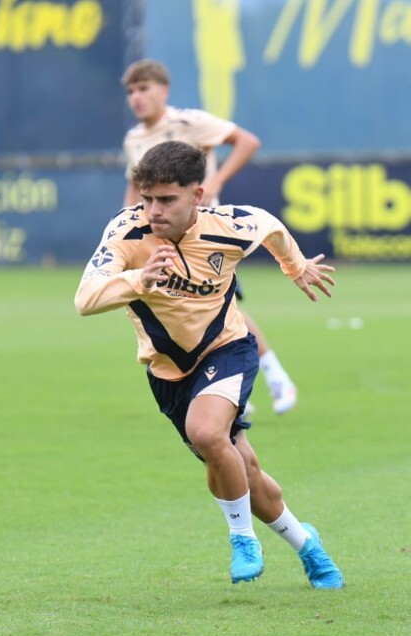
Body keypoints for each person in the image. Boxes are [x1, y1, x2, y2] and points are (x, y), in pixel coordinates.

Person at [75, 140, 343, 588]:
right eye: (147, 199)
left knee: (206, 433)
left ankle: (243, 539)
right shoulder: (126, 232)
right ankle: (308, 546)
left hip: (227, 349)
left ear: (197, 195)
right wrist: (138, 279)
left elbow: (271, 227)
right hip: (167, 372)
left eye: (167, 199)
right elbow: (85, 300)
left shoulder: (229, 226)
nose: (154, 210)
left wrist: (295, 266)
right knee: (243, 469)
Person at [121, 59, 298, 417]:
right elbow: (135, 190)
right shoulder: (134, 139)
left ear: (163, 91)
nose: (136, 97)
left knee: (221, 309)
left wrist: (216, 181)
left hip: (203, 236)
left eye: (144, 88)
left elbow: (246, 141)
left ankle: (271, 376)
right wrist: (124, 233)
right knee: (188, 311)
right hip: (160, 240)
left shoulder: (188, 123)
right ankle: (225, 387)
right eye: (131, 91)